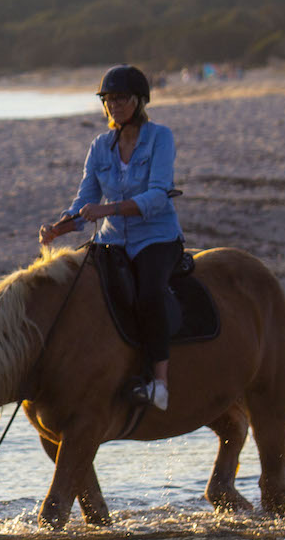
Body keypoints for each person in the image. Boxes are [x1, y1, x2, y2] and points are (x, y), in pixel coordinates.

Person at [38, 66, 183, 411]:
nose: (114, 105)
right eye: (109, 99)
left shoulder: (160, 137)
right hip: (113, 242)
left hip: (157, 238)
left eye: (121, 98)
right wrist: (60, 227)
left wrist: (109, 210)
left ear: (139, 101)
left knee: (149, 295)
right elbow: (84, 198)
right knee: (82, 292)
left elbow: (158, 196)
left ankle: (159, 383)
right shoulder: (100, 146)